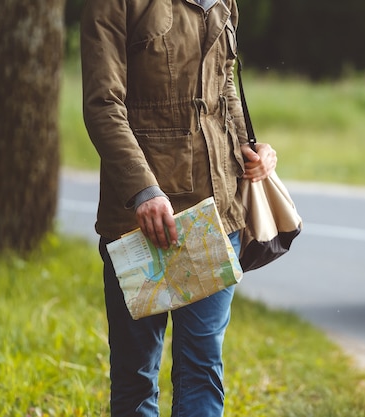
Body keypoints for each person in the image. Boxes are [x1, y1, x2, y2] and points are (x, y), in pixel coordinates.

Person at [80, 1, 277, 416]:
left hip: (216, 218)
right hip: (139, 221)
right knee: (135, 379)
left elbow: (223, 88)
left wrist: (250, 149)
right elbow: (103, 105)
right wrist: (143, 190)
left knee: (203, 368)